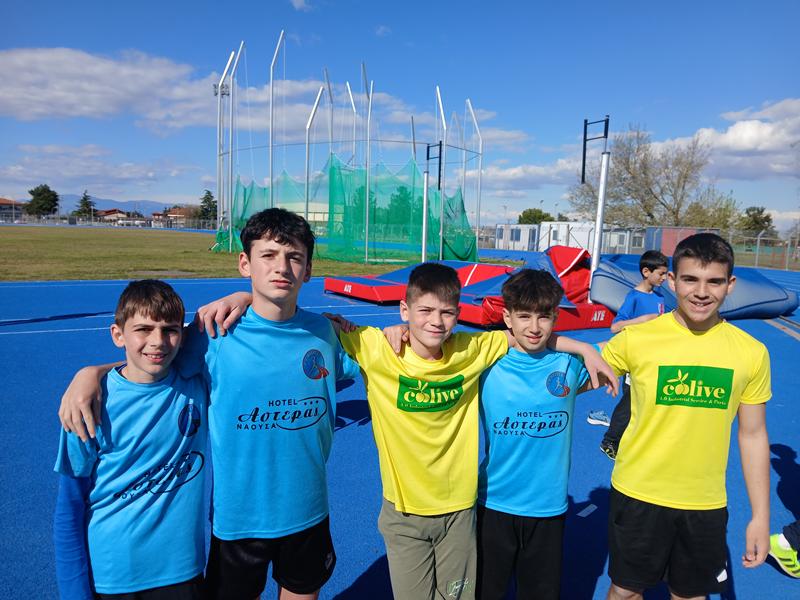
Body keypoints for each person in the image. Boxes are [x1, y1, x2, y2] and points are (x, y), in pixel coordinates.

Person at [199, 261, 618, 600]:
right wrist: (245, 296)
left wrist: (582, 346)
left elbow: (527, 339)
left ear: (459, 315)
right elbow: (308, 321)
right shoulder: (376, 347)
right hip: (403, 513)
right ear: (404, 311)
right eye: (425, 311)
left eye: (447, 313)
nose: (436, 322)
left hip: (459, 511)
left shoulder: (473, 348)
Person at [58, 208, 359, 600]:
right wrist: (91, 373)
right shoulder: (214, 333)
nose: (281, 267)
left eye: (294, 257)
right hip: (238, 522)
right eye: (268, 255)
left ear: (308, 270)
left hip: (309, 511)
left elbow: (376, 356)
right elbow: (152, 357)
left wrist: (396, 332)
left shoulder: (324, 333)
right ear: (244, 263)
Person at [601, 233, 771, 600]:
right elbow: (577, 376)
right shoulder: (638, 339)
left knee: (690, 595)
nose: (701, 292)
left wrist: (760, 516)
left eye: (714, 281)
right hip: (638, 493)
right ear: (672, 280)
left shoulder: (751, 353)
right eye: (690, 279)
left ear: (730, 284)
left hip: (703, 503)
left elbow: (753, 435)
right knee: (625, 591)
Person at [53, 279, 208, 599]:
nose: (158, 341)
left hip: (183, 572)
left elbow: (260, 308)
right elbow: (69, 508)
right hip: (114, 576)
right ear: (118, 335)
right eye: (143, 329)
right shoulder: (88, 406)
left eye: (170, 330)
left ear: (182, 336)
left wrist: (242, 295)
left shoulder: (196, 385)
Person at [476, 269, 600, 600]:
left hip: (547, 508)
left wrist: (585, 348)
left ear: (555, 317)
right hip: (494, 503)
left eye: (544, 316)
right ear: (507, 317)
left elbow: (631, 349)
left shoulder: (570, 364)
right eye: (524, 316)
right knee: (486, 592)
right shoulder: (485, 364)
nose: (534, 327)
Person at [596, 250, 668, 460]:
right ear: (646, 272)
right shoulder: (634, 297)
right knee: (630, 403)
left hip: (655, 358)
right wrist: (642, 320)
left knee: (649, 403)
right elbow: (615, 327)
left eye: (666, 273)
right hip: (636, 360)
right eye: (661, 273)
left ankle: (635, 443)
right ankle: (610, 441)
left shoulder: (659, 297)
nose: (664, 278)